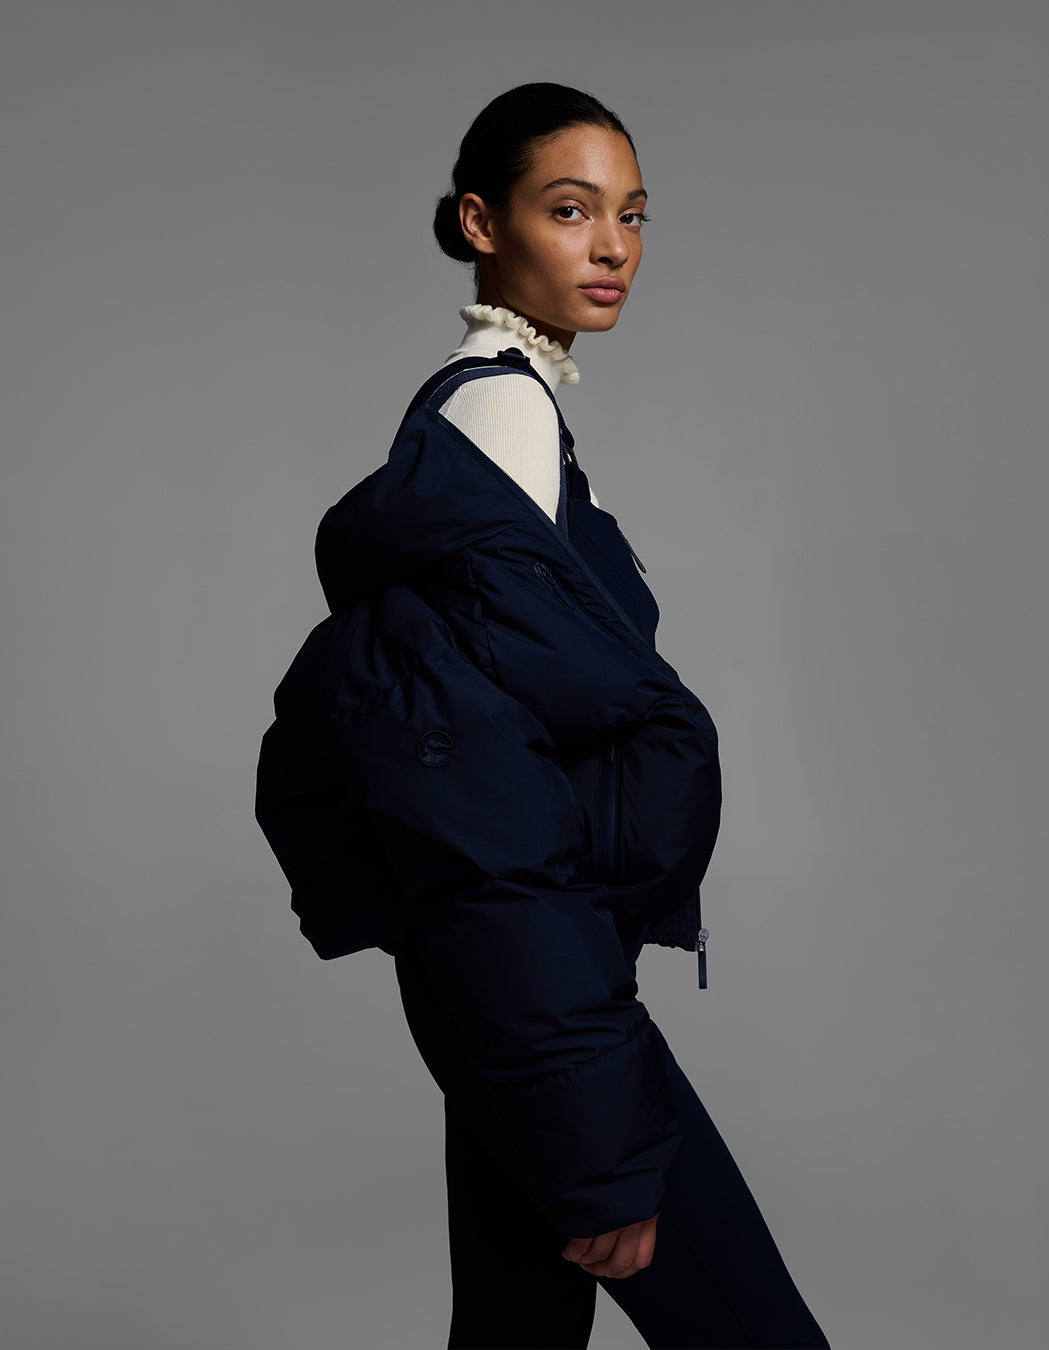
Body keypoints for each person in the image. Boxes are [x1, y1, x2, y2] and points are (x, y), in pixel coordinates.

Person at [255, 83, 830, 1350]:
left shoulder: (503, 422)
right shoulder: (498, 416)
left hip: (517, 1006)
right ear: (481, 222)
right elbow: (482, 824)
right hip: (537, 1007)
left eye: (630, 214)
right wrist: (598, 1147)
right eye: (570, 211)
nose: (613, 245)